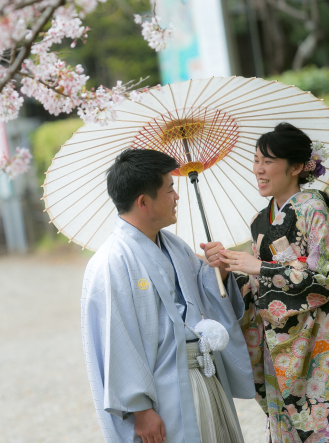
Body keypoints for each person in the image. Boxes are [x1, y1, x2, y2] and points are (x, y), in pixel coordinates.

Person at [204, 123, 329, 443]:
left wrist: (262, 267)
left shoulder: (315, 209)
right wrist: (226, 270)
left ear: (297, 167)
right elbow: (258, 285)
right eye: (256, 159)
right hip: (277, 343)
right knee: (287, 424)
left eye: (268, 161)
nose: (259, 169)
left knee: (328, 422)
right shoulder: (260, 221)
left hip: (318, 339)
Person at [81, 148, 255, 443]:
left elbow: (204, 296)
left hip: (202, 373)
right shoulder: (112, 261)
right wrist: (140, 409)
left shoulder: (175, 246)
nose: (176, 197)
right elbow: (117, 340)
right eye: (170, 189)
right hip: (161, 389)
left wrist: (219, 272)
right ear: (144, 201)